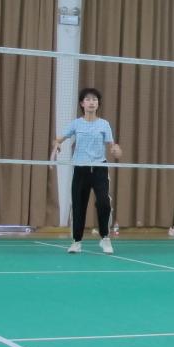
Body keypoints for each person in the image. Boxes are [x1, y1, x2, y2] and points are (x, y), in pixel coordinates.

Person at [51, 87, 122, 254]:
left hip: (99, 169)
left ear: (98, 104)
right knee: (78, 206)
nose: (92, 102)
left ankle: (105, 238)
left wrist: (116, 151)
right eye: (88, 99)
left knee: (104, 203)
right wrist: (57, 144)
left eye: (95, 100)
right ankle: (76, 241)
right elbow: (58, 139)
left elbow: (114, 148)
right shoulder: (76, 123)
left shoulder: (104, 124)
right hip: (81, 169)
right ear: (82, 104)